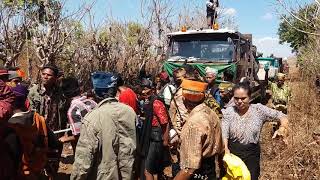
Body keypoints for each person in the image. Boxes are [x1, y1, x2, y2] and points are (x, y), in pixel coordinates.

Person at [71, 72, 137, 180]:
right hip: (127, 174)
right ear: (115, 90)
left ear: (95, 92)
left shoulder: (92, 118)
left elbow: (84, 159)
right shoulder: (129, 112)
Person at [222, 82, 289, 180]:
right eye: (236, 98)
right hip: (233, 154)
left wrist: (282, 128)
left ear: (249, 97)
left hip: (251, 154)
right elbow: (224, 133)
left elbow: (282, 116)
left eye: (243, 98)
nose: (239, 101)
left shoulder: (258, 110)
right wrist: (226, 150)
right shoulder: (229, 112)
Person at [7, 84, 61, 179]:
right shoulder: (39, 119)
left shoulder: (10, 126)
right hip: (38, 170)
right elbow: (55, 144)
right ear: (26, 101)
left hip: (20, 174)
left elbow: (11, 159)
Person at [174, 79, 224, 180]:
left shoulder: (194, 123)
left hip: (197, 174)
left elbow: (189, 168)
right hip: (210, 170)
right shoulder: (211, 113)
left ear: (183, 99)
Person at [137, 81, 170, 180]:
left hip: (156, 138)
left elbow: (165, 122)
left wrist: (165, 140)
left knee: (148, 169)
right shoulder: (150, 102)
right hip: (150, 136)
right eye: (143, 94)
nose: (145, 96)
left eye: (147, 93)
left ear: (152, 91)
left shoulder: (156, 103)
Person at [28, 63, 67, 132]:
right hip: (39, 130)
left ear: (55, 77)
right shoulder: (33, 92)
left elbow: (63, 113)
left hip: (55, 131)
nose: (45, 77)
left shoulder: (60, 92)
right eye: (43, 74)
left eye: (49, 75)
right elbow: (30, 113)